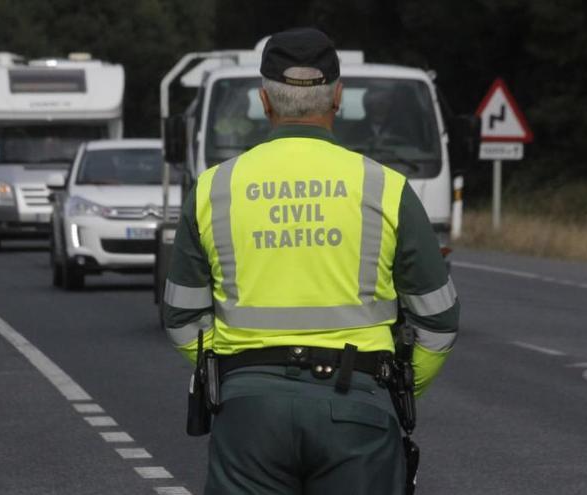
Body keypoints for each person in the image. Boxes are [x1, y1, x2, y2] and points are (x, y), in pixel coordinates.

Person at [162, 28, 459, 494]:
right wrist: (393, 390)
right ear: (338, 96)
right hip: (358, 410)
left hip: (248, 416)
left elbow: (182, 318)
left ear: (264, 100)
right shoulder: (387, 189)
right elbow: (438, 323)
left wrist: (233, 375)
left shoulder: (212, 190)